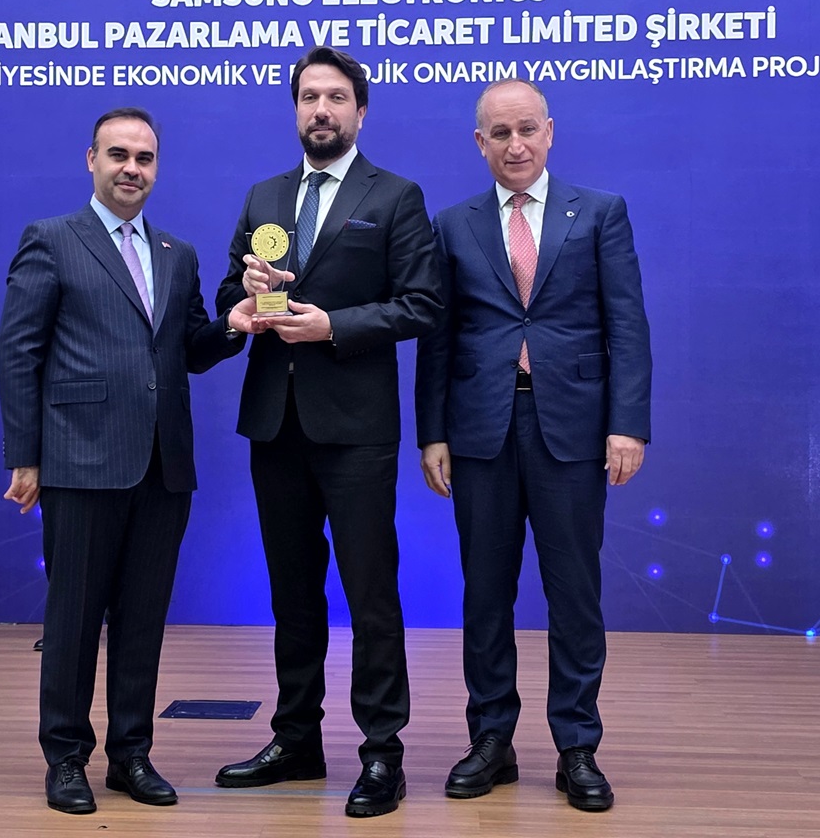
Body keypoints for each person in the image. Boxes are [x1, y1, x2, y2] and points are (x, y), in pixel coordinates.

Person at [0, 107, 249, 814]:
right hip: (79, 461)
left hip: (163, 466)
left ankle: (131, 755)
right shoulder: (51, 239)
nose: (132, 168)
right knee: (73, 621)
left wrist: (233, 326)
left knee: (143, 620)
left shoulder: (177, 253)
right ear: (92, 160)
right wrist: (25, 456)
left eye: (144, 158)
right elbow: (18, 351)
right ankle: (66, 759)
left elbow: (189, 350)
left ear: (157, 168)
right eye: (119, 155)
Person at [216, 46, 442, 818]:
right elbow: (230, 290)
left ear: (360, 112)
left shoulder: (397, 196)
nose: (321, 109)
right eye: (309, 96)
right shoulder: (264, 194)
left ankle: (382, 754)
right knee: (291, 592)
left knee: (370, 591)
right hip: (275, 423)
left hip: (355, 430)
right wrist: (246, 298)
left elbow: (421, 304)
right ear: (295, 110)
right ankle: (295, 739)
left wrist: (333, 326)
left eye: (336, 97)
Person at [415, 80, 651, 812]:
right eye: (500, 133)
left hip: (573, 429)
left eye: (526, 130)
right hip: (479, 429)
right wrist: (432, 432)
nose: (515, 145)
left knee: (573, 592)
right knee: (485, 591)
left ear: (550, 131)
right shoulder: (453, 224)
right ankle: (491, 740)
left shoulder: (600, 212)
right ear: (479, 143)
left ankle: (577, 745)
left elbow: (627, 325)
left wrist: (627, 423)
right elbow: (437, 337)